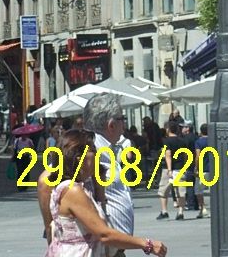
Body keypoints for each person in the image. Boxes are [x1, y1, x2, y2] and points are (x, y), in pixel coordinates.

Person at [46, 129, 169, 257]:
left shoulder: (73, 187)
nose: (97, 154)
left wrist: (99, 184)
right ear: (79, 158)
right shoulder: (73, 190)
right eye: (92, 149)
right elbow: (104, 234)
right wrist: (147, 244)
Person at [83, 92, 134, 247]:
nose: (124, 125)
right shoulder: (90, 151)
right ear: (111, 124)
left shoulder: (108, 149)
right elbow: (46, 180)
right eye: (122, 119)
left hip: (113, 249)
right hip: (100, 249)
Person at [155, 124, 185, 221]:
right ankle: (180, 212)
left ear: (168, 130)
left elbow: (168, 154)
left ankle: (164, 211)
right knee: (181, 191)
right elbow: (185, 155)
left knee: (163, 191)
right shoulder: (182, 141)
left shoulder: (166, 141)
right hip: (180, 168)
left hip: (169, 169)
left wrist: (169, 169)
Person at [192, 123, 211, 219]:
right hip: (213, 168)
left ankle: (203, 208)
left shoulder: (199, 142)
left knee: (198, 190)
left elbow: (198, 156)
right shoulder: (213, 140)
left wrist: (196, 167)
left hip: (203, 169)